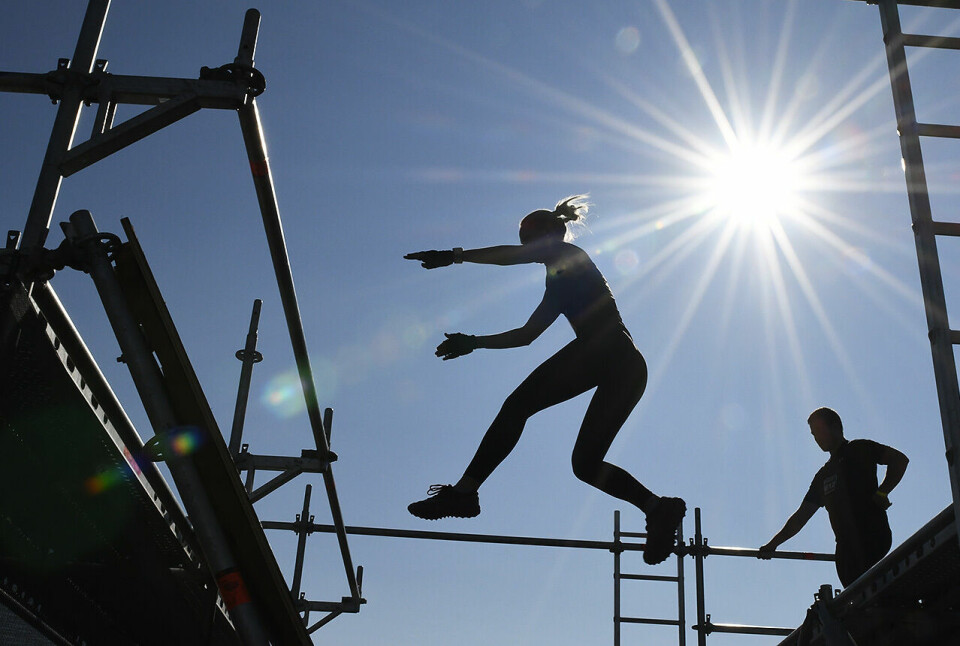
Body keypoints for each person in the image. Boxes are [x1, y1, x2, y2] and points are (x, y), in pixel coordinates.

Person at [404, 195, 686, 565]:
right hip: (627, 366)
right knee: (585, 465)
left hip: (606, 352)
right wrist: (474, 343)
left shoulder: (571, 257)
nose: (526, 252)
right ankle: (657, 508)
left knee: (516, 406)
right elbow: (527, 334)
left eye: (529, 244)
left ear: (549, 238)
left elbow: (510, 258)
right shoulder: (558, 281)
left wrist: (456, 255)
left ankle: (465, 493)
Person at [759, 407, 909, 587]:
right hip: (846, 551)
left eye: (819, 431)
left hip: (872, 536)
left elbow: (899, 460)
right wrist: (773, 544)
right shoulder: (823, 476)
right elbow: (801, 517)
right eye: (813, 435)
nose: (817, 439)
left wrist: (882, 492)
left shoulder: (860, 448)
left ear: (836, 427)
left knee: (869, 589)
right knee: (855, 601)